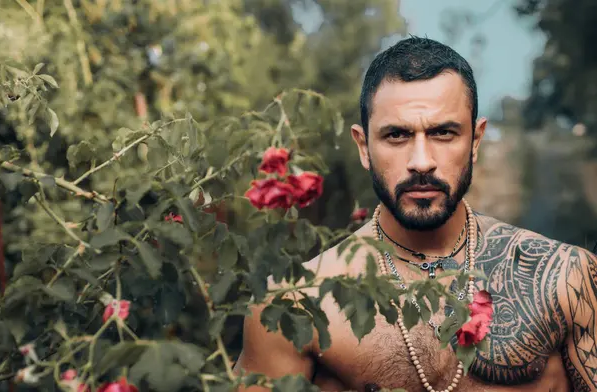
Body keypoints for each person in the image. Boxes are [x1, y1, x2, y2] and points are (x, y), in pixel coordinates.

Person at [234, 36, 597, 392]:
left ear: (475, 141)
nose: (421, 161)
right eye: (396, 135)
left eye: (443, 132)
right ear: (363, 147)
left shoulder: (566, 280)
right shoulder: (296, 306)